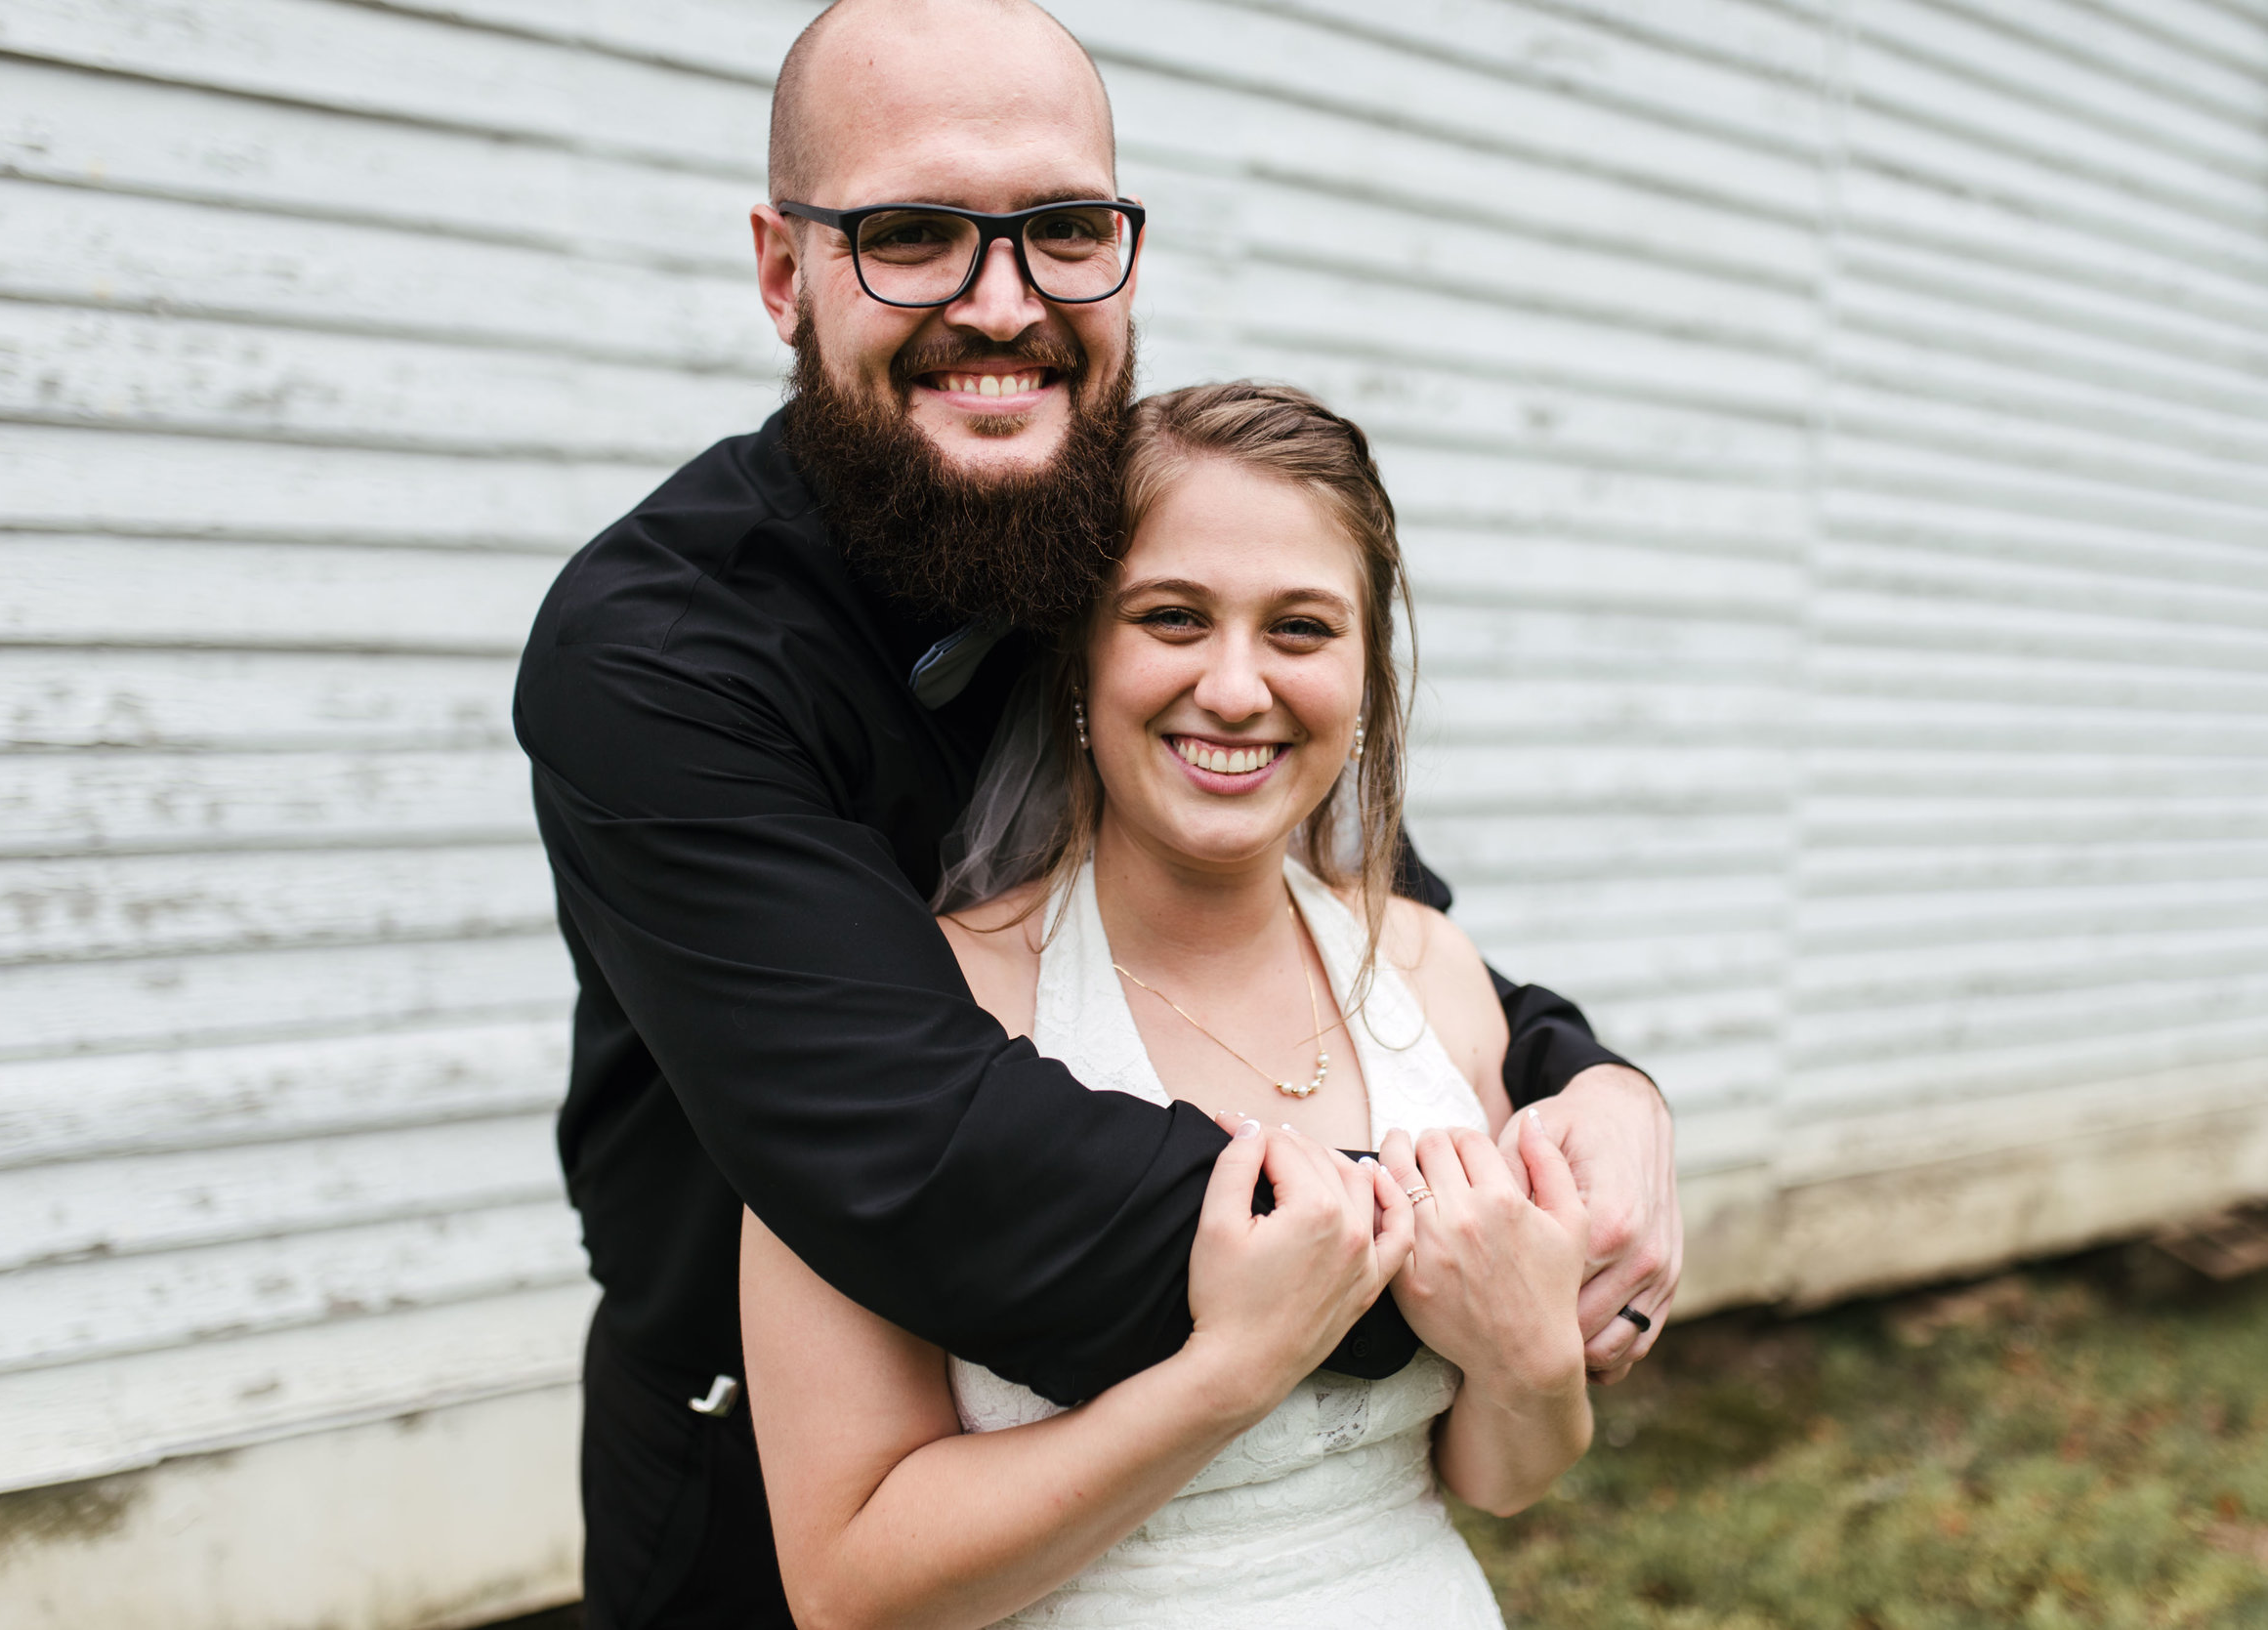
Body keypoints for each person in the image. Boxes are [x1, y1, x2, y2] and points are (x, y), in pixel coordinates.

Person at [511, 2, 1680, 1624]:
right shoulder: (659, 656)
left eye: (1064, 229)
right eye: (911, 233)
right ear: (785, 270)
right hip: (759, 1489)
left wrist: (1591, 1084)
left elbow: (1344, 906)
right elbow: (933, 1160)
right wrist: (1475, 1266)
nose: (1003, 301)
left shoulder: (1113, 515)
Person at [742, 381, 1592, 1629]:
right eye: (1173, 617)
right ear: (1080, 651)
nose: (1237, 688)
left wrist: (1532, 1358)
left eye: (1300, 628)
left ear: (1364, 672)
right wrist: (1223, 1374)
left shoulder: (1429, 973)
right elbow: (846, 1585)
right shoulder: (915, 1022)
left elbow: (1495, 1476)